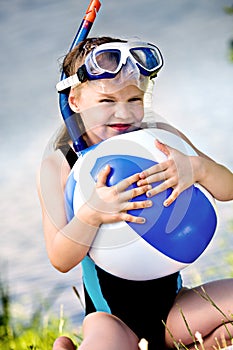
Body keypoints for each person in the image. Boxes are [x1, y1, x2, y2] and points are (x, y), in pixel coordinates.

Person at [37, 36, 233, 350]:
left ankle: (172, 344)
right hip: (112, 319)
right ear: (74, 101)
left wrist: (199, 170)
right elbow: (60, 258)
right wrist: (91, 213)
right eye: (106, 101)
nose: (124, 114)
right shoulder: (61, 164)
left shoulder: (159, 140)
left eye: (134, 100)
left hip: (174, 309)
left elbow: (228, 188)